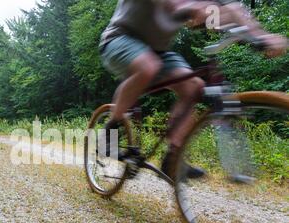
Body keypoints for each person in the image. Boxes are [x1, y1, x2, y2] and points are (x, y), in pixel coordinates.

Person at [100, 0, 287, 179]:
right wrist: (196, 8)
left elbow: (232, 9)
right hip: (118, 38)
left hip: (158, 52)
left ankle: (173, 157)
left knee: (194, 87)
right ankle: (109, 134)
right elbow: (174, 5)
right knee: (148, 66)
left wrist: (259, 36)